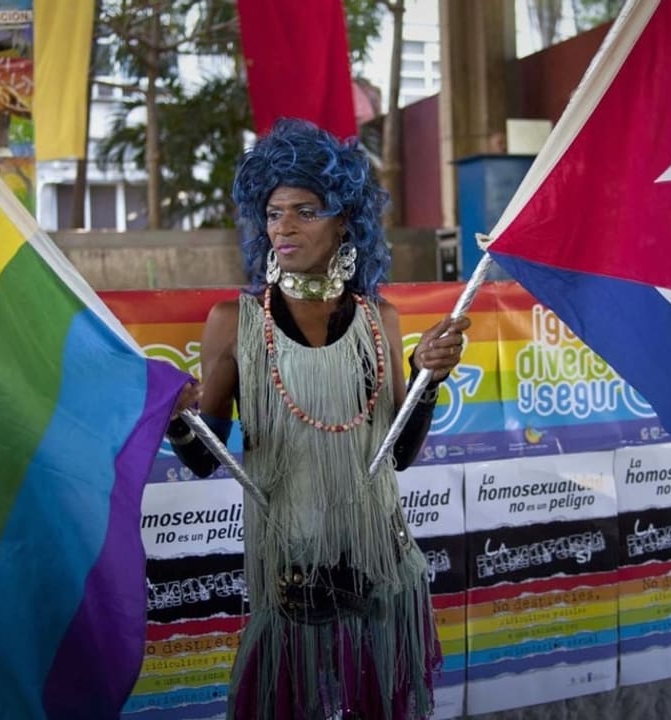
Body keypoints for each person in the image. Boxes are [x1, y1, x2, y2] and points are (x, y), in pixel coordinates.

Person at [165, 118, 471, 720]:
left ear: (344, 220)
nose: (284, 226)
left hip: (381, 568)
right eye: (275, 212)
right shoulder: (233, 321)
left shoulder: (377, 318)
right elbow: (205, 459)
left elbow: (398, 454)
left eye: (305, 211)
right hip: (289, 575)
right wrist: (179, 419)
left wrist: (426, 377)